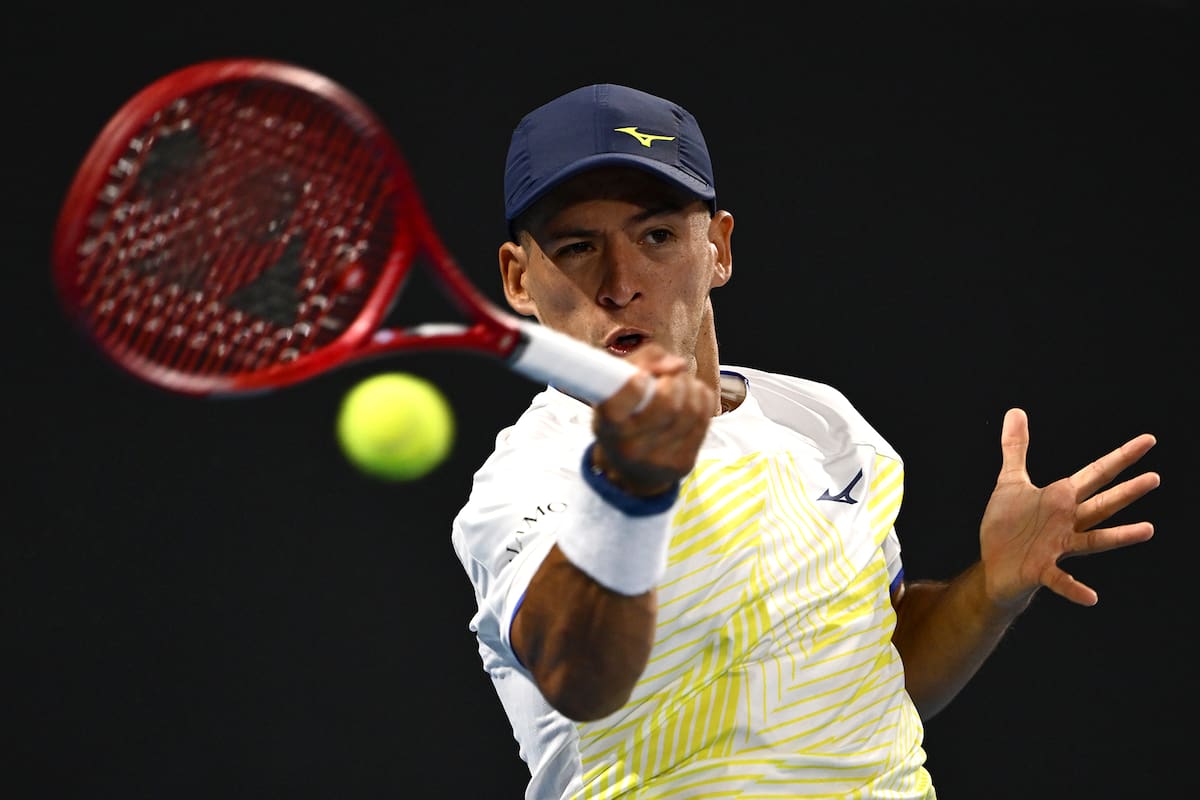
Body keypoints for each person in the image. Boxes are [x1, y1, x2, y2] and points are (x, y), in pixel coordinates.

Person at [449, 83, 1160, 799]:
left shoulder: (822, 422)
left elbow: (876, 667)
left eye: (657, 236)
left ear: (718, 250)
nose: (620, 283)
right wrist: (628, 493)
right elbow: (584, 679)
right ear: (518, 278)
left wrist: (991, 589)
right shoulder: (524, 483)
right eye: (577, 247)